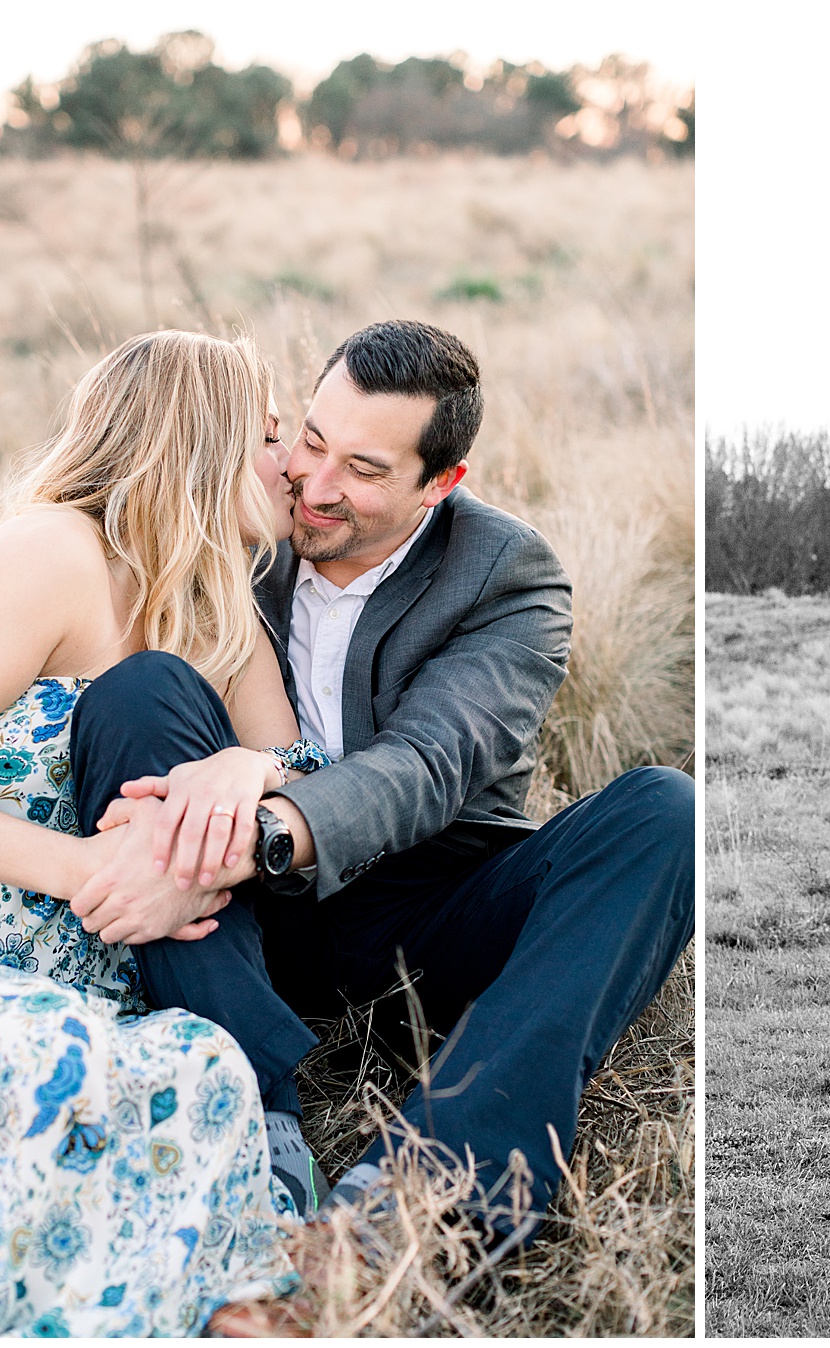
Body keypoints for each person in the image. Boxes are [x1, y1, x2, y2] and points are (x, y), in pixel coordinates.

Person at [65, 319, 695, 1249]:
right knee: (139, 693)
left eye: (363, 470)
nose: (315, 488)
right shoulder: (244, 521)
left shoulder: (507, 575)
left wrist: (260, 829)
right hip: (232, 921)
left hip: (425, 920)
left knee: (665, 811)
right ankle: (250, 1124)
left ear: (441, 484)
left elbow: (429, 765)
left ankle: (422, 1202)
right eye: (310, 442)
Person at [0, 331, 310, 1335]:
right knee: (50, 1065)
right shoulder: (51, 552)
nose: (291, 461)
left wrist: (246, 768)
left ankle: (195, 1279)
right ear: (200, 436)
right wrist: (81, 864)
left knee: (188, 1071)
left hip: (81, 960)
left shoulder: (217, 599)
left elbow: (302, 771)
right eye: (268, 434)